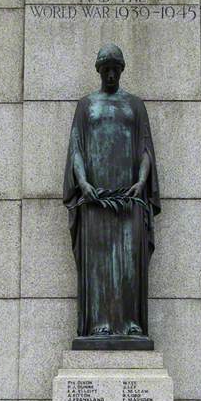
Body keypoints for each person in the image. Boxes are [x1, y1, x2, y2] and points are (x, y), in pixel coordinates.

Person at [63, 44, 160, 348]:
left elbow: (146, 149)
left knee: (129, 265)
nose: (110, 74)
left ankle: (130, 323)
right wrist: (83, 183)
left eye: (114, 68)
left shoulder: (134, 105)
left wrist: (142, 181)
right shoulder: (86, 105)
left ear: (121, 70)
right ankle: (99, 324)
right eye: (105, 68)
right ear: (98, 71)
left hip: (129, 199)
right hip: (95, 200)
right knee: (100, 266)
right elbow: (76, 149)